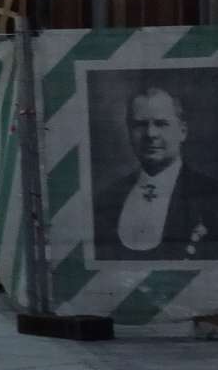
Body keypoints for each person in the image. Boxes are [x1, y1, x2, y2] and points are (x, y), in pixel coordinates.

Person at [93, 85, 217, 260]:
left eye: (161, 124)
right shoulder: (106, 199)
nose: (150, 134)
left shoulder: (211, 196)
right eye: (140, 125)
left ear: (182, 131)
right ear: (129, 132)